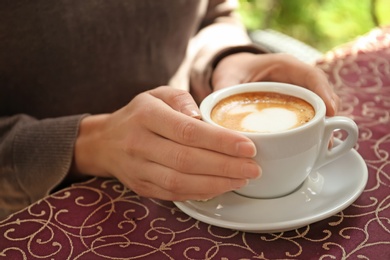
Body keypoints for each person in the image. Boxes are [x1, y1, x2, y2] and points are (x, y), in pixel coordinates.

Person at [0, 0, 339, 219]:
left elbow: (211, 14)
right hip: (45, 212)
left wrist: (227, 60)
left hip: (188, 180)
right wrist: (91, 142)